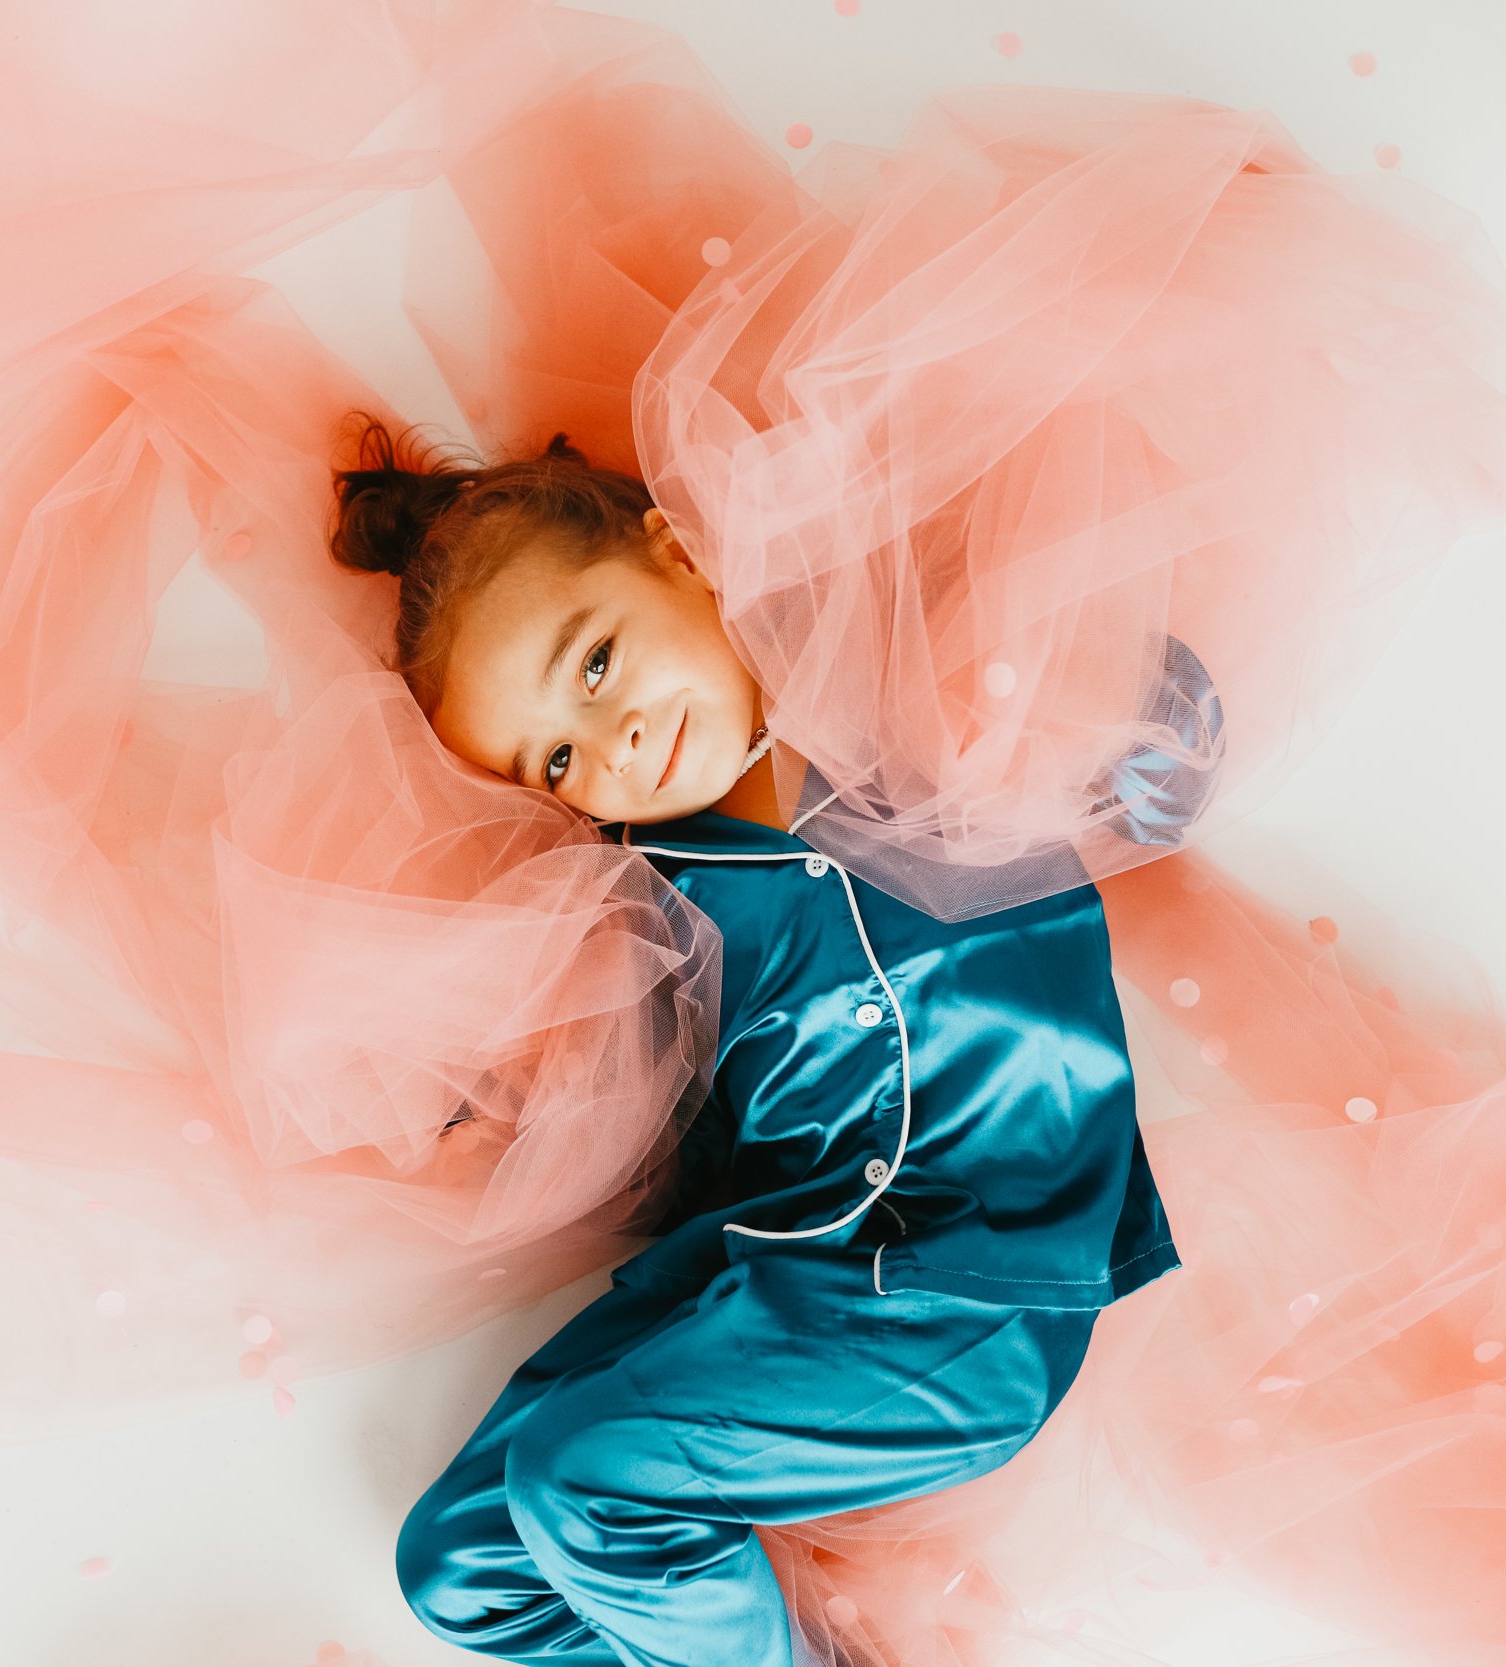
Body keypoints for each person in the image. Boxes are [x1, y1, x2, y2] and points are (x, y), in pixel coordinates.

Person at [332, 416, 1223, 1666]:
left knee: (580, 1487)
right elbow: (667, 1150)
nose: (615, 745)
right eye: (558, 759)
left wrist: (1075, 681)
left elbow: (1163, 770)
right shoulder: (652, 899)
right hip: (769, 1272)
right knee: (460, 1570)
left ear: (680, 557)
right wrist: (517, 1102)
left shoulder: (907, 693)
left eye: (595, 666)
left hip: (975, 1280)